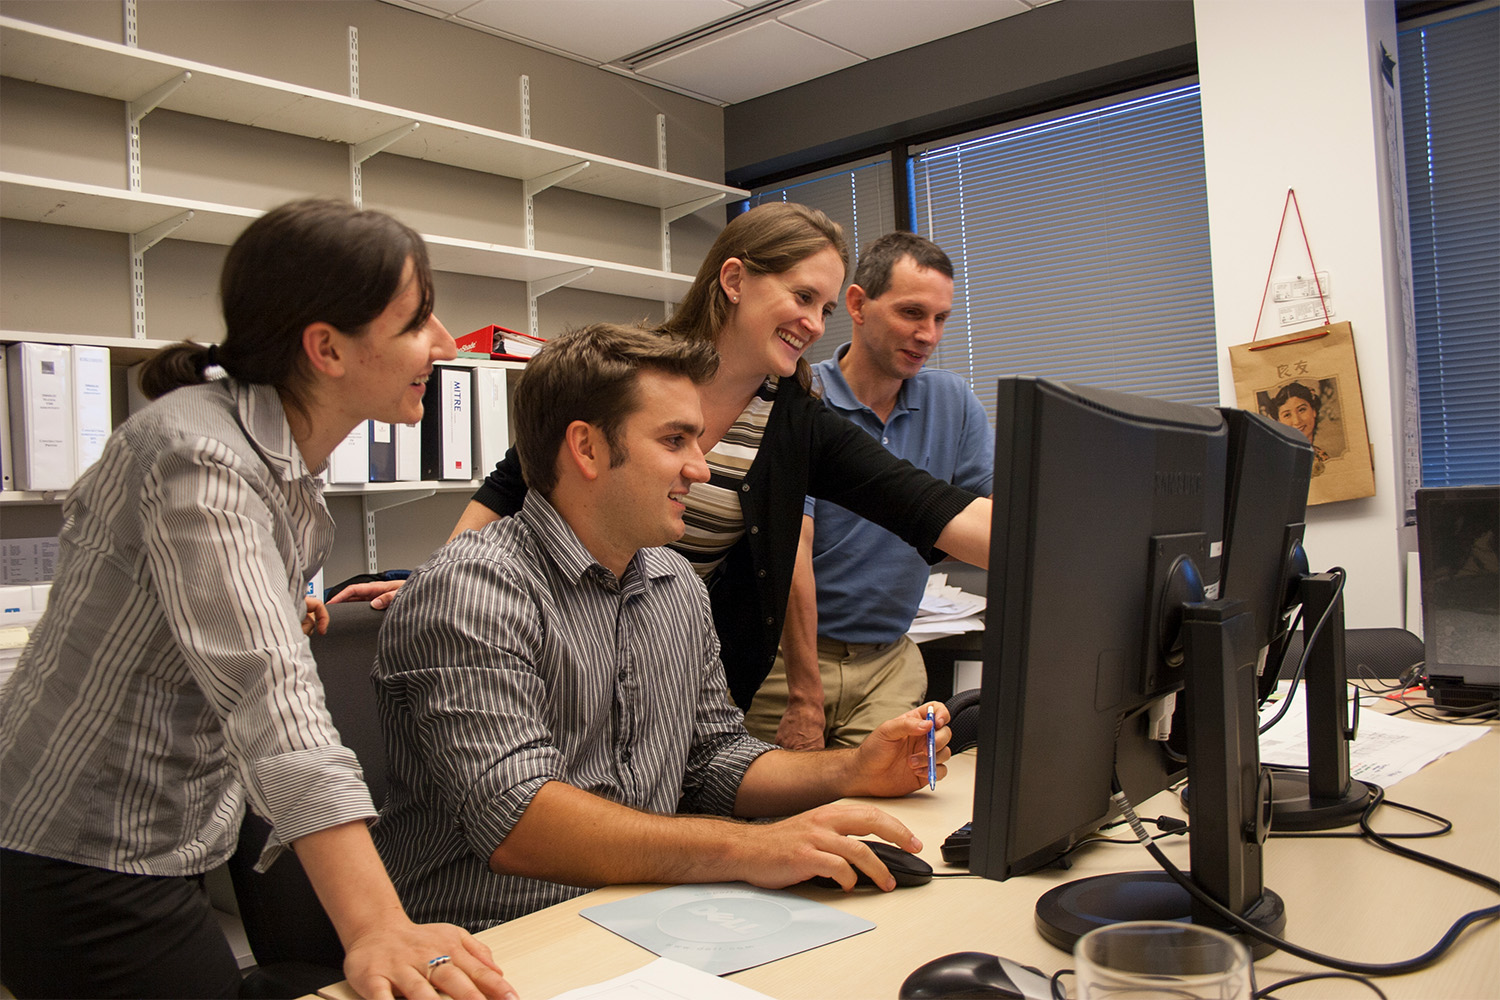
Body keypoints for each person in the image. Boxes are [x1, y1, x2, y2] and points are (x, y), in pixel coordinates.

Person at [0, 199, 516, 1000]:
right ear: (326, 348)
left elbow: (201, 606)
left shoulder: (269, 450)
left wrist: (275, 605)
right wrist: (379, 925)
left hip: (163, 838)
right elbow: (272, 700)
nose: (445, 344)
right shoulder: (200, 457)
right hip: (79, 852)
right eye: (417, 320)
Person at [370, 323, 953, 932]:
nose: (699, 470)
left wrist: (852, 769)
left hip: (641, 909)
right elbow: (517, 818)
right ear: (587, 448)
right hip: (493, 938)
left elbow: (713, 757)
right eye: (674, 440)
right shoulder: (473, 588)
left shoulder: (673, 582)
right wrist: (747, 848)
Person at [334, 202, 992, 713]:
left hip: (674, 675)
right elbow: (515, 481)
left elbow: (924, 504)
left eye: (824, 307)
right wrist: (446, 580)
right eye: (801, 297)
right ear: (734, 279)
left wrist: (1055, 546)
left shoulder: (793, 418)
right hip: (556, 646)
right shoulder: (631, 371)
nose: (817, 325)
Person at [744, 233, 993, 749]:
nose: (928, 334)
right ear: (857, 305)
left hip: (887, 660)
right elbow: (794, 551)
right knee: (780, 817)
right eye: (912, 313)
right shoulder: (802, 397)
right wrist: (805, 698)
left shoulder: (952, 401)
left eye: (940, 319)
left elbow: (994, 517)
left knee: (883, 816)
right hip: (788, 663)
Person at [1271, 380, 1330, 473]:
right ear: (1279, 422)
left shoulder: (1320, 455)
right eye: (1287, 415)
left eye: (1302, 410)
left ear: (1313, 411)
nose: (1297, 421)